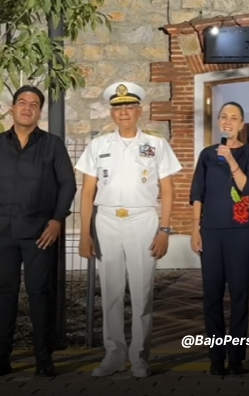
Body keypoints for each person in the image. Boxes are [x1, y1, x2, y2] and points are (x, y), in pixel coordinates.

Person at [0, 85, 77, 378]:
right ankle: (0, 357)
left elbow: (68, 183)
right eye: (22, 102)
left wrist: (57, 220)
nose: (27, 107)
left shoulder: (53, 144)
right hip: (1, 231)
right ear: (12, 108)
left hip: (40, 232)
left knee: (39, 293)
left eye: (34, 104)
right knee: (5, 293)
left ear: (39, 112)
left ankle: (44, 358)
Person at [77, 81, 182, 378]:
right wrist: (85, 234)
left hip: (143, 220)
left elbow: (168, 189)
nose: (123, 113)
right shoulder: (99, 145)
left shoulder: (156, 144)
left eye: (129, 107)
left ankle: (139, 357)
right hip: (107, 220)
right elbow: (87, 192)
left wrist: (165, 229)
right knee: (109, 291)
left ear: (139, 110)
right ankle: (113, 355)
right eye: (118, 108)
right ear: (112, 112)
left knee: (142, 291)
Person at [189, 101, 249, 375]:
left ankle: (237, 358)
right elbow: (198, 193)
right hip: (211, 231)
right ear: (219, 122)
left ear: (242, 124)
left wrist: (231, 159)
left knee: (239, 295)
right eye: (224, 117)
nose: (228, 122)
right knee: (211, 296)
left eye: (234, 118)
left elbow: (246, 188)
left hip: (239, 231)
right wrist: (195, 228)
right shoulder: (207, 154)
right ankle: (216, 357)